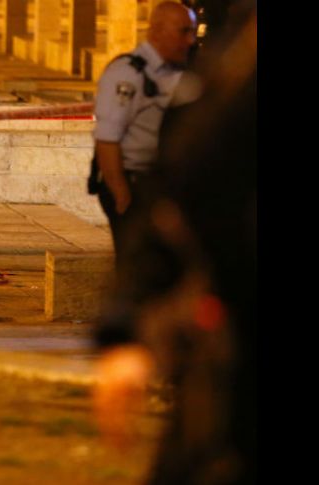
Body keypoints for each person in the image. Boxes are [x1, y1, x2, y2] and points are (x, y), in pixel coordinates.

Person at [92, 2, 256, 484]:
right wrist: (127, 328)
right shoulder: (220, 67)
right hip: (232, 366)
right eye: (184, 31)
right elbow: (180, 183)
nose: (191, 40)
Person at [91, 1, 198, 276]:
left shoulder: (179, 72)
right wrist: (121, 194)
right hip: (133, 183)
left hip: (158, 185)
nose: (190, 40)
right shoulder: (128, 73)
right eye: (183, 31)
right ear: (158, 31)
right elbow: (107, 139)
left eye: (192, 31)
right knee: (136, 268)